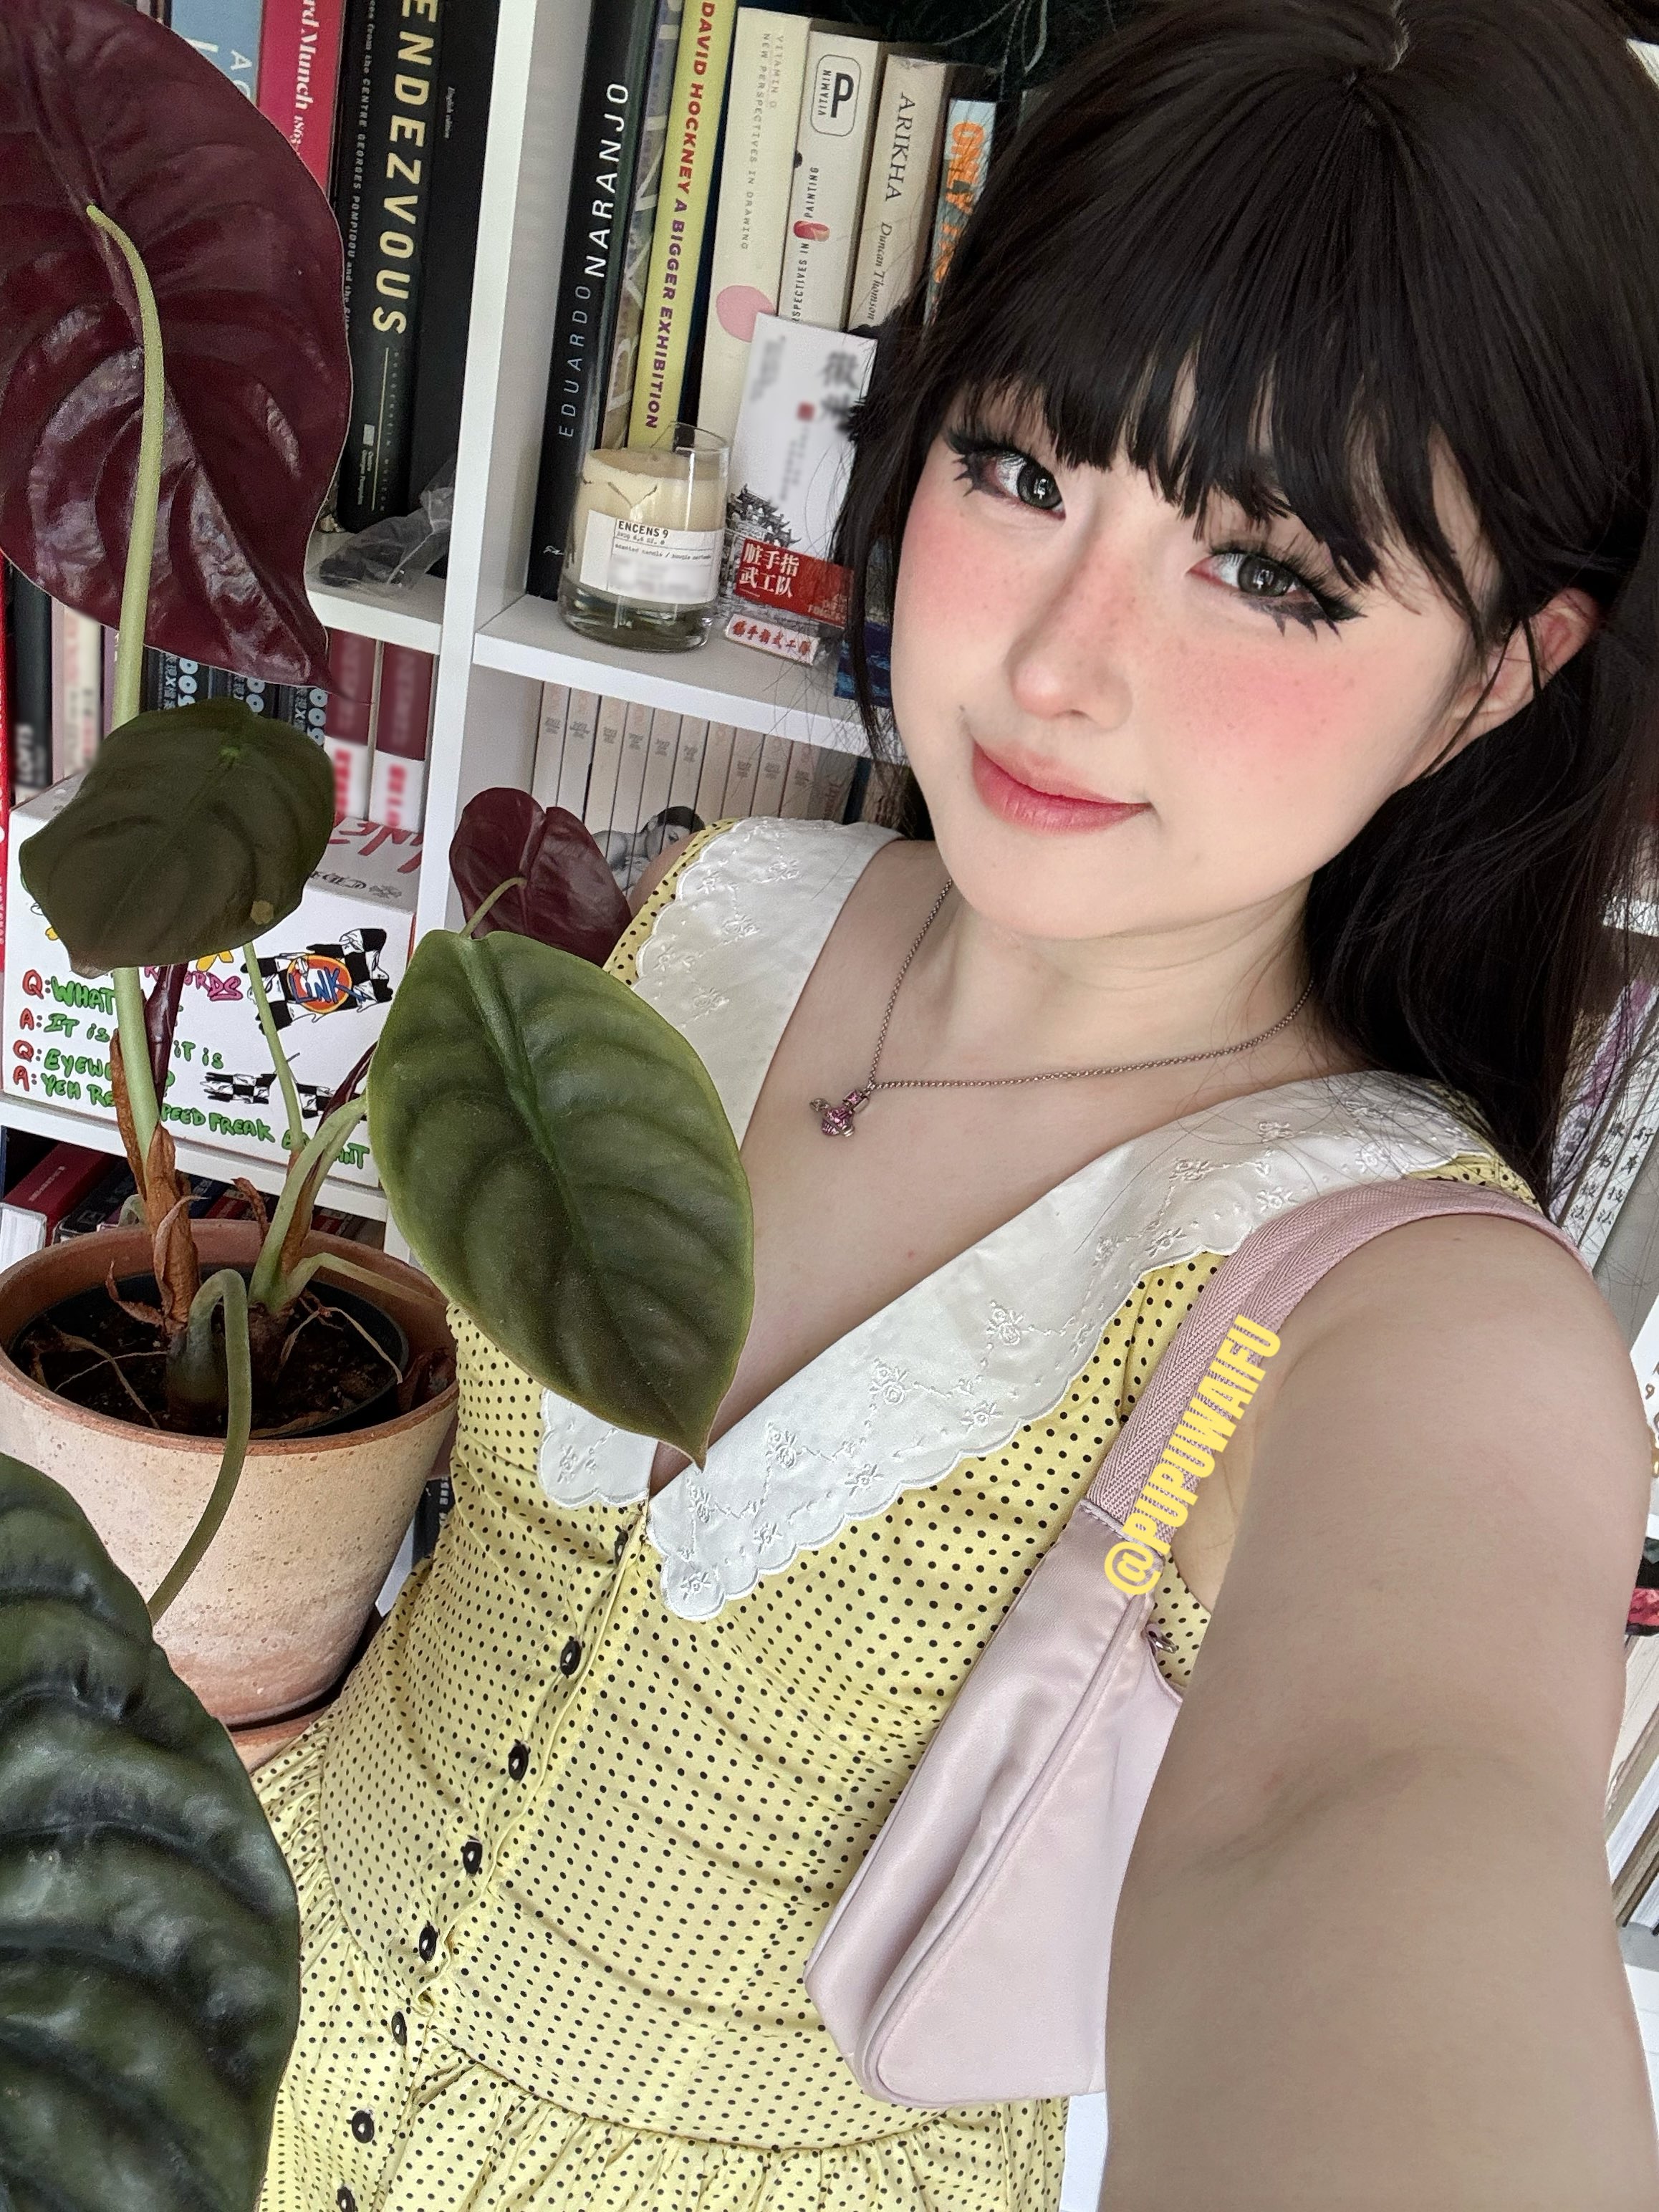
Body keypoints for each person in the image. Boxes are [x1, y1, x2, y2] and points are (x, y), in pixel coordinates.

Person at [254, 1, 1659, 2204]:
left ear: (1497, 674)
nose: (1059, 661)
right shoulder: (680, 913)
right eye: (1020, 472)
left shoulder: (1397, 1306)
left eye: (1270, 574)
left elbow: (1386, 1811)